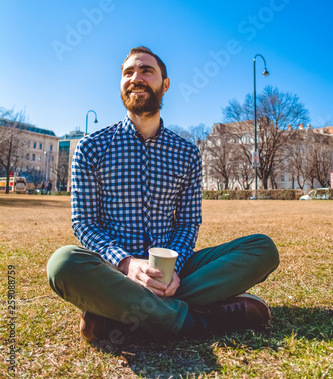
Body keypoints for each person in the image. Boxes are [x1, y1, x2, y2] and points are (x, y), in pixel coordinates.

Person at [47, 46, 279, 343]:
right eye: (128, 72)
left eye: (146, 70)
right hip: (113, 271)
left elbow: (188, 222)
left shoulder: (186, 153)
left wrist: (172, 270)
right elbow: (84, 224)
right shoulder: (91, 148)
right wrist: (128, 264)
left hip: (175, 269)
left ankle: (118, 315)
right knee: (63, 262)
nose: (136, 77)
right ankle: (197, 322)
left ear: (164, 84)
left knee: (262, 248)